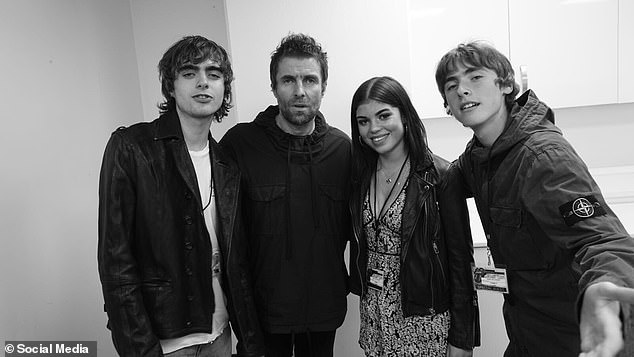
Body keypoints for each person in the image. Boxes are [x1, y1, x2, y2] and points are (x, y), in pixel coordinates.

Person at [434, 41, 634, 357]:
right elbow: (444, 177)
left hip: (575, 339)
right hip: (527, 334)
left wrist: (603, 294)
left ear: (505, 84)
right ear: (446, 104)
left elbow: (602, 240)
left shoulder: (542, 157)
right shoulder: (480, 156)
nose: (462, 90)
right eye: (452, 85)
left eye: (474, 78)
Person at [98, 35, 264, 356]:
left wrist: (248, 340)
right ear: (170, 86)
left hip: (220, 334)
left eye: (214, 74)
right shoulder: (132, 147)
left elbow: (237, 263)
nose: (203, 82)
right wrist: (140, 349)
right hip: (165, 342)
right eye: (189, 73)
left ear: (224, 89)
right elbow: (116, 264)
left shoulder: (227, 163)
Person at [220, 33, 351, 357]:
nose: (300, 91)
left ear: (323, 86)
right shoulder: (240, 145)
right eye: (288, 80)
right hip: (262, 316)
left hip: (324, 311)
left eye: (310, 80)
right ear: (274, 86)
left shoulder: (342, 149)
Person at [348, 76, 480, 356]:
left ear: (405, 117)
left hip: (424, 322)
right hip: (375, 320)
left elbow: (460, 262)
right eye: (363, 121)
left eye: (384, 116)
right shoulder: (359, 177)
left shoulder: (442, 177)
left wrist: (462, 339)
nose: (374, 128)